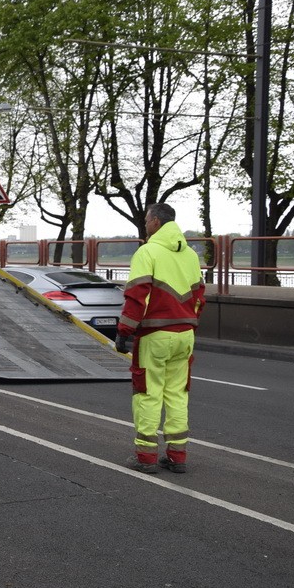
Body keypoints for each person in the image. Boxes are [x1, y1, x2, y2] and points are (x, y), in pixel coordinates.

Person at [116, 203, 205, 474]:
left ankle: (146, 457)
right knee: (177, 394)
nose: (145, 224)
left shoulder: (147, 252)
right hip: (185, 334)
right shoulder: (190, 254)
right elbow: (199, 296)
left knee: (147, 393)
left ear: (155, 221)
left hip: (155, 335)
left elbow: (137, 297)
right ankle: (177, 456)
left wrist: (124, 331)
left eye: (146, 219)